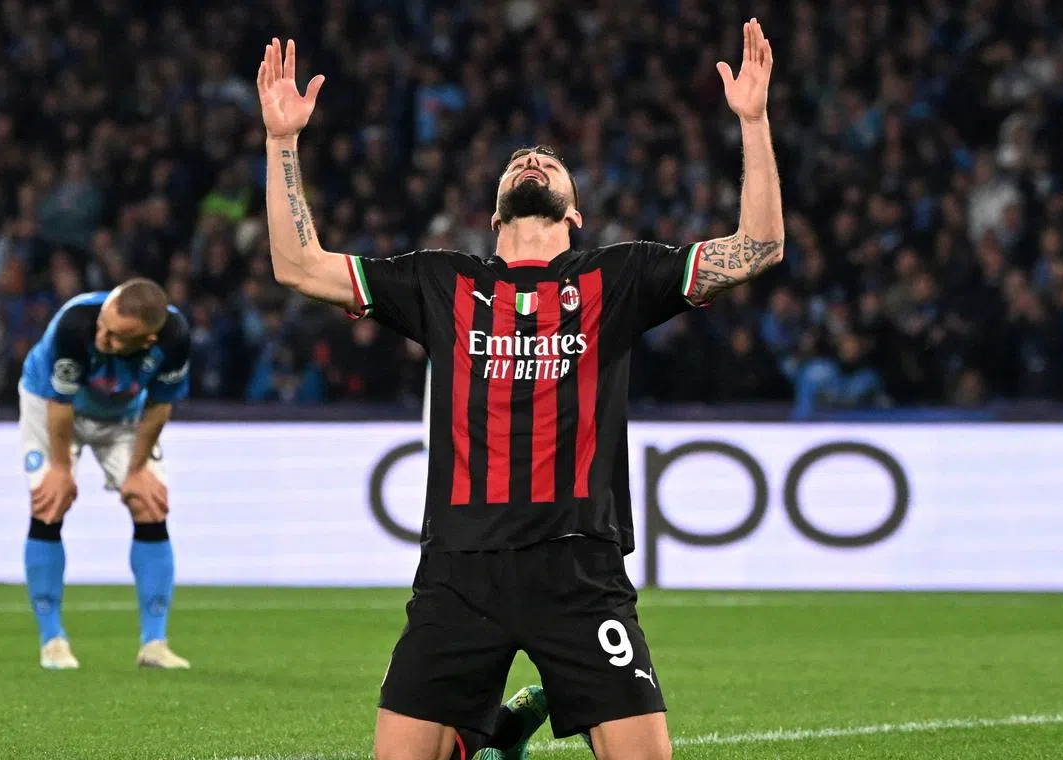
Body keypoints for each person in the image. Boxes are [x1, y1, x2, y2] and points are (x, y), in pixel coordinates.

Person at [257, 17, 782, 759]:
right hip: (458, 572)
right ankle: (486, 740)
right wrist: (283, 142)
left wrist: (753, 122)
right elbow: (299, 267)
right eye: (520, 159)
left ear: (574, 214)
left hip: (579, 569)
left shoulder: (618, 276)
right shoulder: (443, 281)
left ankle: (489, 737)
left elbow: (760, 247)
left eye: (549, 161)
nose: (533, 159)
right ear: (494, 210)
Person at [19, 278, 192, 670]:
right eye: (103, 325)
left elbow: (160, 406)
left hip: (124, 413)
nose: (102, 338)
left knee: (150, 503)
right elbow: (59, 403)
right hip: (50, 404)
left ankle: (154, 644)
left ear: (147, 340)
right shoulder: (74, 323)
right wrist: (62, 469)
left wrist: (136, 472)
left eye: (116, 337)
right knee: (50, 502)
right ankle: (53, 642)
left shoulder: (175, 337)